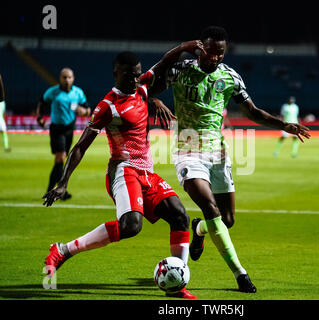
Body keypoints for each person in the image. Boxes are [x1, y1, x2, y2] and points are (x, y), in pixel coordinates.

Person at [42, 41, 206, 299]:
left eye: (137, 72)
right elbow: (81, 146)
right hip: (123, 170)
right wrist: (63, 182)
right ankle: (62, 250)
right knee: (131, 225)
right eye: (128, 74)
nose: (134, 77)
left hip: (146, 172)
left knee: (179, 215)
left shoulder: (141, 87)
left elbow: (164, 63)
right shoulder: (108, 106)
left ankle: (177, 286)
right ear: (116, 73)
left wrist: (185, 47)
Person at [161, 26, 310, 293]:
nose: (216, 57)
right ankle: (240, 274)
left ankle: (199, 231)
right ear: (200, 47)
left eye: (221, 53)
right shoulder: (181, 69)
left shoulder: (230, 77)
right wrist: (153, 99)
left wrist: (283, 124)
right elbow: (149, 80)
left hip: (218, 154)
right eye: (211, 51)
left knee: (227, 220)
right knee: (211, 208)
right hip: (188, 151)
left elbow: (252, 111)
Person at [36, 68, 91, 200]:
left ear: (73, 79)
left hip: (69, 130)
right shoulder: (53, 92)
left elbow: (88, 109)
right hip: (56, 129)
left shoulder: (78, 93)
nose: (67, 80)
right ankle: (56, 190)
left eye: (69, 77)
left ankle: (55, 190)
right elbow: (41, 103)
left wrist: (83, 111)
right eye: (64, 77)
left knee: (61, 161)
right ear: (60, 78)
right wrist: (39, 118)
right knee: (60, 158)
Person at [0, 73, 11, 152]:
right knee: (4, 131)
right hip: (1, 121)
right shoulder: (3, 102)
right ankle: (6, 146)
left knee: (4, 130)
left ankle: (6, 146)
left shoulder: (2, 102)